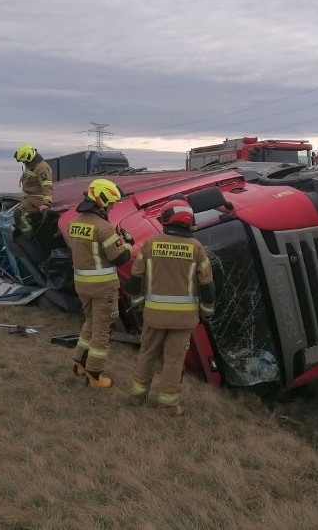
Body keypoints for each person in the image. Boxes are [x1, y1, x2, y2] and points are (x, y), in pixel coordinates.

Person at [128, 200, 215, 416]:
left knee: (147, 353)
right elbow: (207, 285)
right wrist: (206, 312)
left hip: (153, 315)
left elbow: (136, 278)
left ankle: (138, 396)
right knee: (174, 359)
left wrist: (138, 305)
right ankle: (168, 405)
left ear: (167, 219)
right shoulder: (196, 248)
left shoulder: (150, 244)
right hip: (183, 319)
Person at [68, 178, 133, 388]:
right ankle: (95, 375)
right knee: (102, 330)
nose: (112, 207)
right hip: (103, 288)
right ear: (102, 201)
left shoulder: (76, 222)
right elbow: (120, 258)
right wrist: (128, 245)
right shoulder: (104, 228)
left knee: (90, 322)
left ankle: (79, 363)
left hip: (82, 284)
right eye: (111, 203)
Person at [13, 144, 54, 236]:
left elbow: (47, 186)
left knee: (19, 214)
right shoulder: (31, 165)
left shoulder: (42, 168)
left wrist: (46, 203)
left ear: (29, 156)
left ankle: (30, 238)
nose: (24, 163)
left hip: (37, 198)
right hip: (29, 197)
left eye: (24, 160)